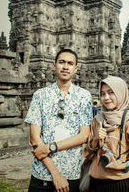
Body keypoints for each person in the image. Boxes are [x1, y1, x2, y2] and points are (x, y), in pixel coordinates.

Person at [25, 49, 93, 192]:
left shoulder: (83, 96)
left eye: (70, 63)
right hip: (41, 174)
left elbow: (84, 135)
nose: (65, 66)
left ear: (76, 68)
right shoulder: (40, 95)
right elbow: (34, 139)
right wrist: (55, 174)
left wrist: (52, 147)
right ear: (54, 65)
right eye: (62, 62)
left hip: (71, 173)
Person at [83, 76, 129, 192]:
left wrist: (123, 165)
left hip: (122, 183)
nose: (106, 98)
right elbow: (87, 154)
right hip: (96, 181)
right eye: (102, 94)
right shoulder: (97, 120)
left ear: (120, 94)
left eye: (111, 92)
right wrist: (95, 139)